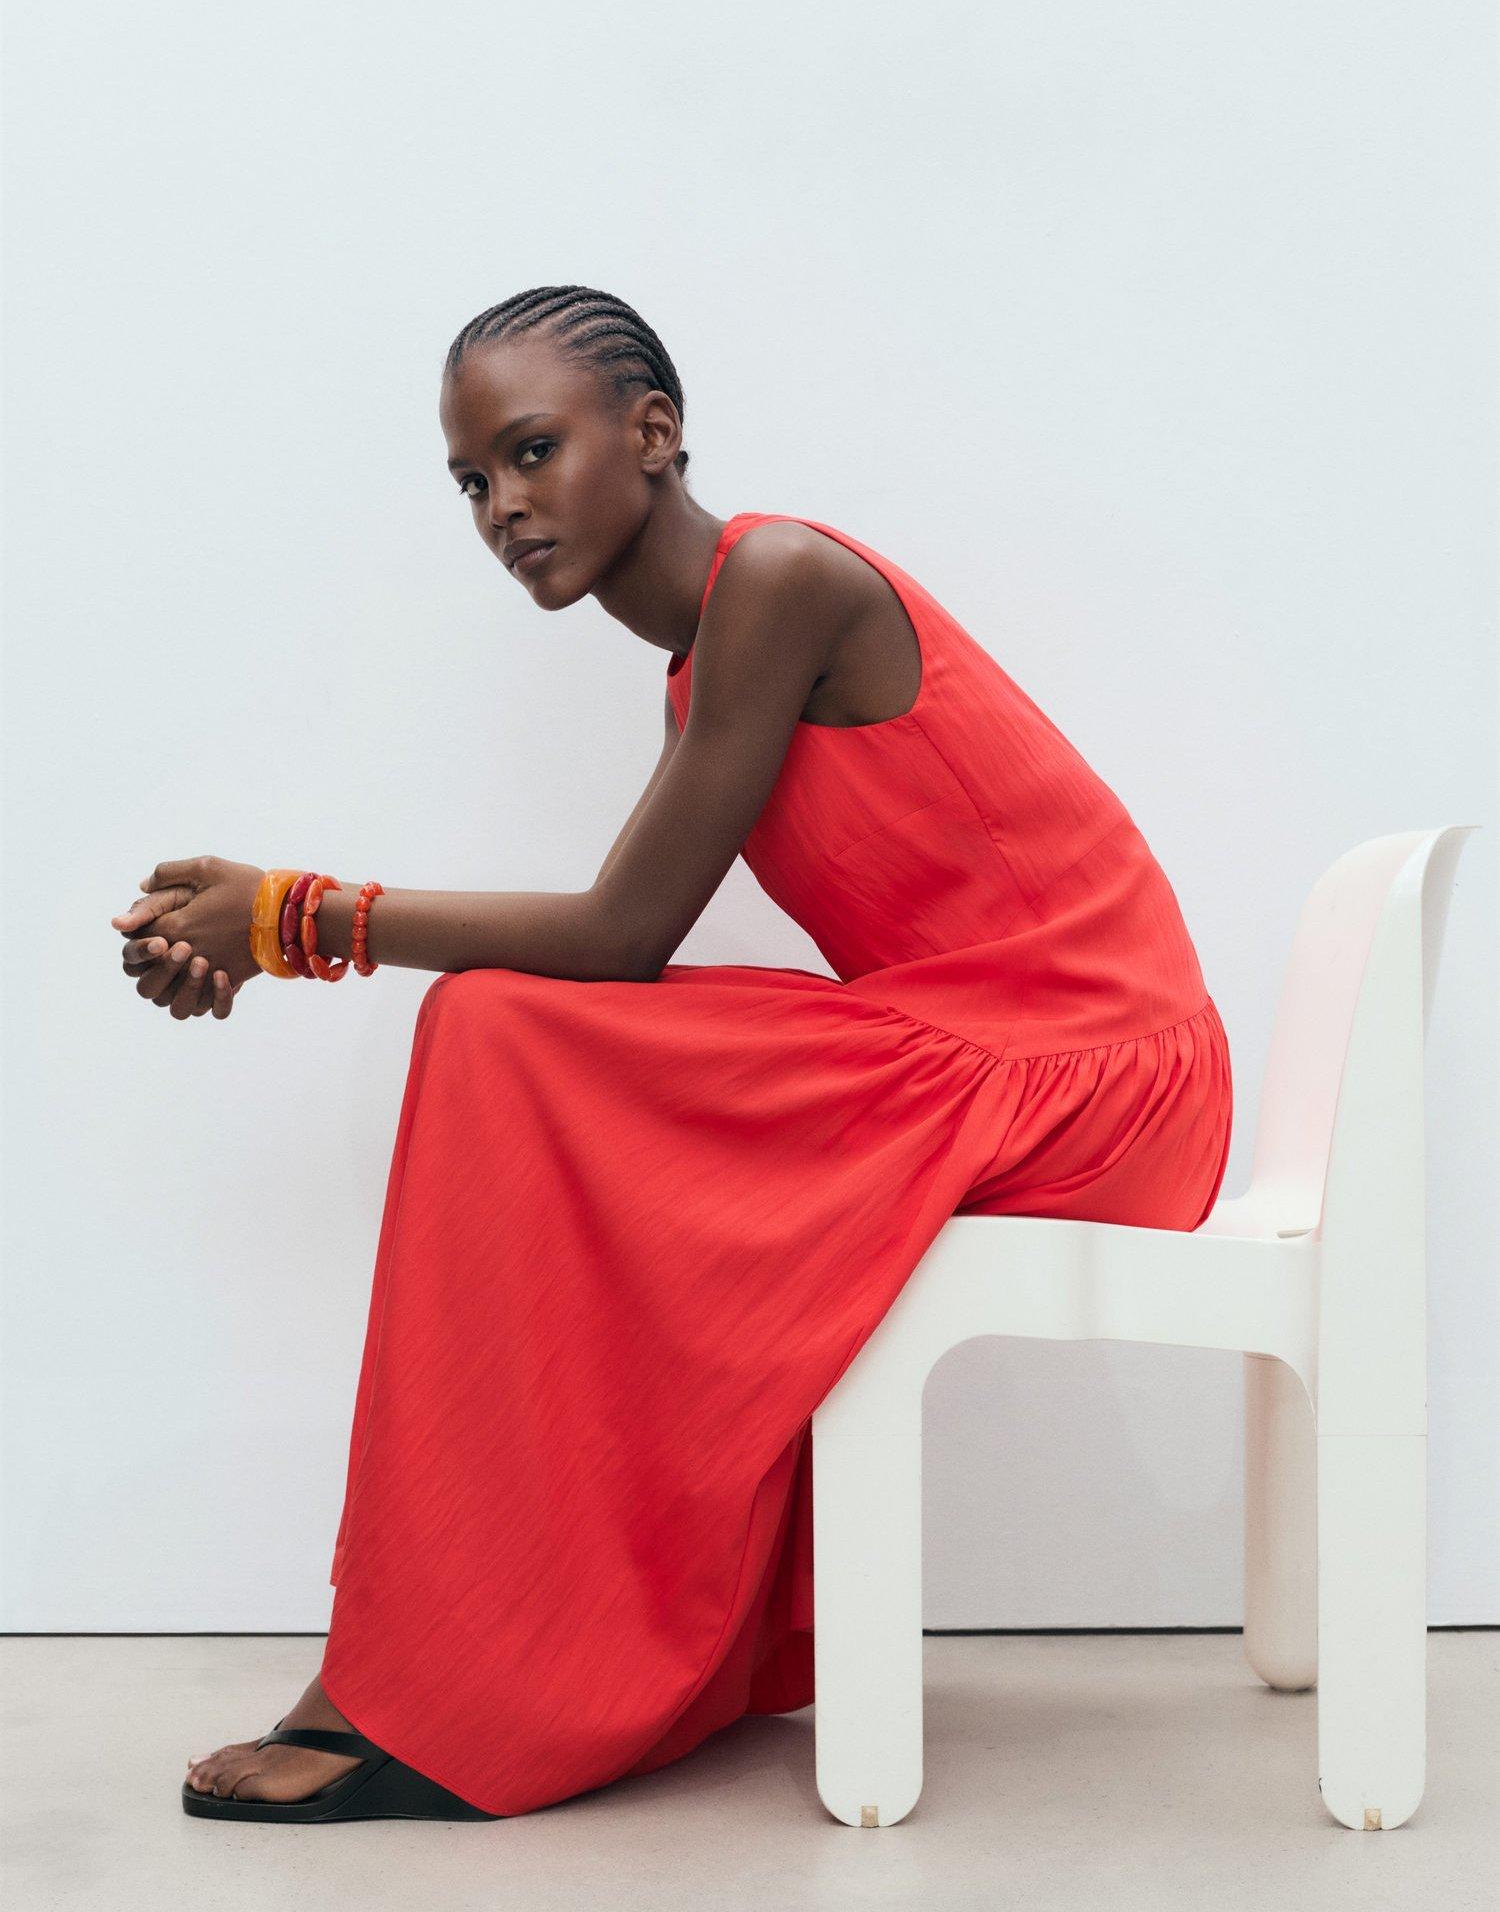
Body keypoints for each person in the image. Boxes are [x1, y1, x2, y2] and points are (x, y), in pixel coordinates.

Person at [114, 283, 1233, 1822]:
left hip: (1093, 1067)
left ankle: (452, 1678)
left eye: (531, 451)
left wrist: (293, 918)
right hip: (987, 1047)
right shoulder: (707, 661)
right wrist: (265, 931)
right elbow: (616, 943)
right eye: (471, 482)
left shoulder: (780, 579)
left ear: (652, 434)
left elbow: (622, 931)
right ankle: (476, 1657)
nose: (503, 508)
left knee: (504, 1035)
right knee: (500, 1030)